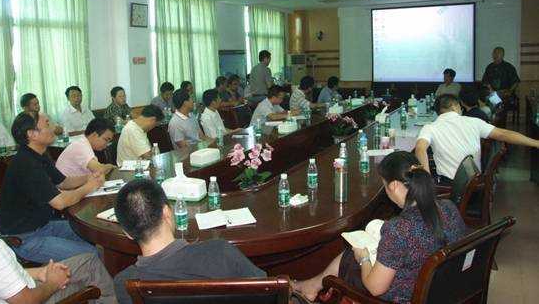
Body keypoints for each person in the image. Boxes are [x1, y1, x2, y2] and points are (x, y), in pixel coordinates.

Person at [294, 151, 466, 303]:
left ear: (394, 186)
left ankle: (311, 287)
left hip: (408, 294)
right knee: (351, 256)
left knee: (350, 257)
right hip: (444, 287)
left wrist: (364, 258)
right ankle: (312, 286)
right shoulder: (448, 207)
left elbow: (375, 288)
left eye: (385, 185)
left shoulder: (399, 229)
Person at [113, 179, 266, 304]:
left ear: (127, 233)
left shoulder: (123, 283)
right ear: (167, 212)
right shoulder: (220, 252)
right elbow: (267, 293)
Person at [0, 168, 117, 304]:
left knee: (89, 258)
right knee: (91, 264)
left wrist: (40, 272)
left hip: (21, 279)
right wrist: (52, 283)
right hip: (29, 291)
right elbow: (26, 301)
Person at [0, 113, 104, 263]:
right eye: (47, 124)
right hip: (25, 238)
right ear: (32, 134)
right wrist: (89, 186)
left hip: (43, 226)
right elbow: (59, 202)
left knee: (96, 238)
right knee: (92, 254)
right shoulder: (26, 163)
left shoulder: (39, 154)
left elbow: (63, 182)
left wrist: (88, 177)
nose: (53, 127)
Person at [415, 94, 539, 183]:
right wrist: (536, 143)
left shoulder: (430, 127)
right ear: (455, 106)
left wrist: (427, 179)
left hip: (449, 187)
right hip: (474, 183)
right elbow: (504, 134)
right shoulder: (474, 122)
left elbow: (420, 149)